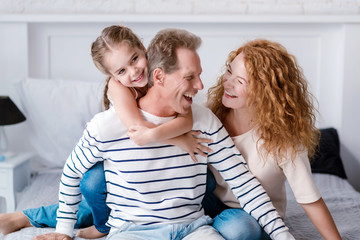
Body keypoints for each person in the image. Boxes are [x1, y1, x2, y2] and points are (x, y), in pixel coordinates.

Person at [27, 29, 295, 240]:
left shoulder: (201, 119)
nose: (201, 86)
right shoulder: (109, 121)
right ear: (160, 76)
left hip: (193, 228)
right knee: (94, 183)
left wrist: (284, 236)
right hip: (132, 230)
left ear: (143, 52)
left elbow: (245, 184)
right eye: (190, 77)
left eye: (135, 59)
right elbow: (73, 171)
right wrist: (63, 231)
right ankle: (92, 224)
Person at [0, 25, 212, 239]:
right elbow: (137, 128)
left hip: (159, 166)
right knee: (93, 183)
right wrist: (179, 140)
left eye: (135, 59)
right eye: (121, 71)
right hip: (124, 157)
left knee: (207, 181)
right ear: (113, 76)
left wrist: (184, 134)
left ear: (142, 47)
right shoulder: (118, 87)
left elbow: (187, 116)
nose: (134, 71)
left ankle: (25, 216)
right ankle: (103, 225)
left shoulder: (163, 72)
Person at [202, 39, 341, 240]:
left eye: (240, 81)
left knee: (240, 230)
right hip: (209, 203)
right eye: (229, 71)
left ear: (265, 93)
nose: (227, 82)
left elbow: (309, 198)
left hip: (251, 216)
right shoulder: (209, 114)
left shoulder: (284, 141)